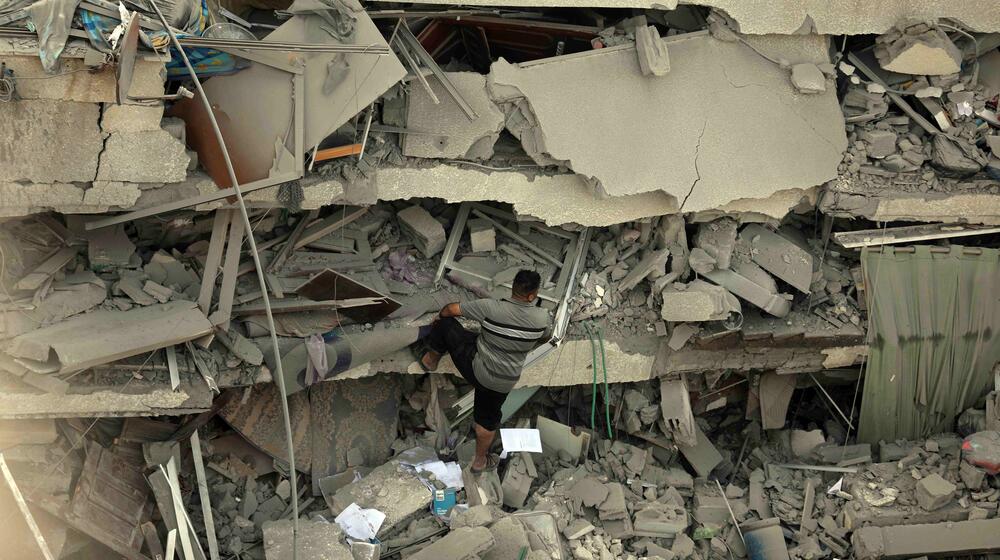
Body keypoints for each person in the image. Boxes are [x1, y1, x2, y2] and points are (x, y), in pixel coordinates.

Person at [417, 269, 551, 473]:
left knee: (447, 325)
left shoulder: (490, 307)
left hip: (477, 368)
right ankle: (480, 461)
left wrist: (438, 318)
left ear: (512, 288)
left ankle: (430, 360)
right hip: (503, 382)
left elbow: (450, 310)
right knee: (486, 421)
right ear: (532, 296)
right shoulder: (542, 318)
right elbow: (545, 337)